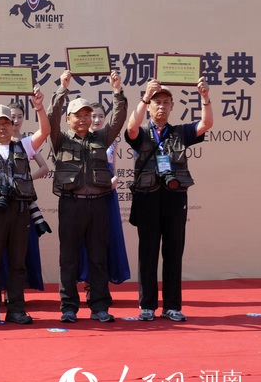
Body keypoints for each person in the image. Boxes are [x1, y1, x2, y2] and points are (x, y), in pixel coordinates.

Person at [125, 77, 213, 322]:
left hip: (175, 198)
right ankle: (147, 306)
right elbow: (131, 128)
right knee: (148, 252)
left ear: (173, 106)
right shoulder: (142, 133)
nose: (161, 106)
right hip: (147, 197)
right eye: (156, 102)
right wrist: (144, 97)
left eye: (166, 102)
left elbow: (206, 124)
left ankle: (172, 306)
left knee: (174, 251)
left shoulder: (180, 132)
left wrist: (205, 97)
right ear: (150, 106)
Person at [48, 69, 126, 323]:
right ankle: (68, 307)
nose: (82, 119)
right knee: (68, 258)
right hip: (71, 205)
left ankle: (99, 306)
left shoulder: (102, 138)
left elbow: (118, 119)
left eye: (87, 115)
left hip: (98, 205)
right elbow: (50, 118)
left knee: (98, 257)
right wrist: (62, 88)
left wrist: (117, 91)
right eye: (77, 115)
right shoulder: (59, 140)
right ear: (68, 118)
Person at [0, 85, 49, 325]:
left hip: (19, 211)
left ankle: (16, 308)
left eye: (7, 123)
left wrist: (39, 107)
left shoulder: (24, 146)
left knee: (18, 263)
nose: (3, 127)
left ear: (13, 125)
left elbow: (45, 131)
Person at [77, 102, 131, 285]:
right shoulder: (81, 139)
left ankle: (103, 280)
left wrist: (115, 179)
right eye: (93, 116)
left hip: (109, 192)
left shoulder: (111, 139)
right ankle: (89, 281)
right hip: (89, 192)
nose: (97, 120)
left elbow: (113, 167)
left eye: (101, 116)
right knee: (87, 234)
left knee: (109, 234)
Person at [4, 101, 51, 292]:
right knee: (2, 248)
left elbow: (45, 168)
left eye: (19, 117)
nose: (15, 121)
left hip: (23, 203)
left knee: (22, 248)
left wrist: (24, 180)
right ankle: (4, 290)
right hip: (3, 202)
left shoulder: (28, 142)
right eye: (11, 116)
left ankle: (17, 291)